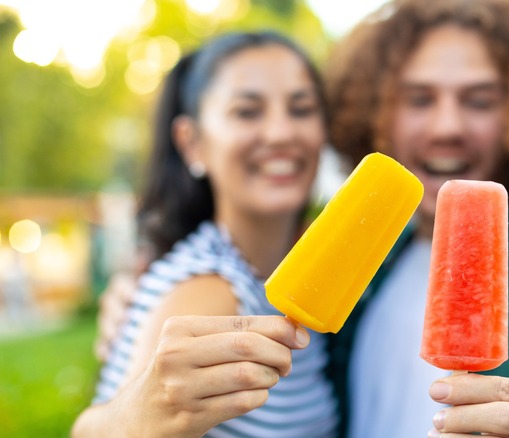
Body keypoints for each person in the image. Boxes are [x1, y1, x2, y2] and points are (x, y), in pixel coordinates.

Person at [324, 0, 509, 436]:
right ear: (377, 112)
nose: (447, 126)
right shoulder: (373, 260)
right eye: (419, 99)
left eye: (480, 101)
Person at [72, 31, 340, 437]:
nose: (282, 133)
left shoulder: (305, 274)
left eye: (301, 109)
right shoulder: (209, 288)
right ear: (193, 143)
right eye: (247, 112)